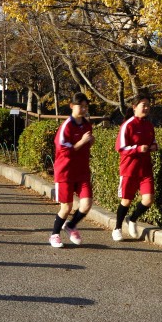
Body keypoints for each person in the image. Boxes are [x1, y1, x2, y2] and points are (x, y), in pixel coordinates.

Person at [48, 93, 95, 248]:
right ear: (71, 106)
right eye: (80, 106)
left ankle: (71, 225)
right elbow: (63, 150)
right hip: (65, 172)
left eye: (85, 106)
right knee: (66, 207)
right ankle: (54, 234)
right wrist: (82, 142)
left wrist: (90, 142)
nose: (83, 109)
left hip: (82, 172)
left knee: (87, 204)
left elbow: (85, 146)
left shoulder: (87, 125)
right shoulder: (66, 126)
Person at [112, 94, 158, 241]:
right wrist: (138, 149)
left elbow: (154, 142)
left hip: (145, 170)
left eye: (148, 105)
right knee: (126, 200)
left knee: (148, 199)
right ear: (134, 107)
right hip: (129, 169)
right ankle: (117, 228)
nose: (146, 108)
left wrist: (153, 147)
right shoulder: (128, 125)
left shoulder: (149, 125)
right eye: (143, 105)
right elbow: (120, 148)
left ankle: (132, 219)